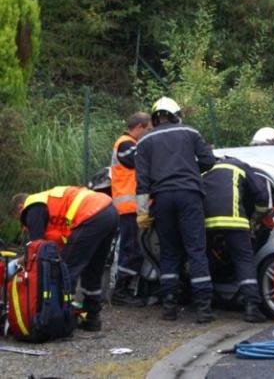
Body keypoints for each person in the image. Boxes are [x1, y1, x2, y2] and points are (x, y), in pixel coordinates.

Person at [134, 96, 216, 323]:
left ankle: (169, 305)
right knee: (196, 250)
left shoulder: (143, 141)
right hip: (189, 196)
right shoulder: (191, 133)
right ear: (175, 114)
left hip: (162, 199)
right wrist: (190, 169)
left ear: (155, 117)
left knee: (169, 252)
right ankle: (203, 309)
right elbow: (209, 161)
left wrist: (142, 213)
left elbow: (141, 181)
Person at [11, 187, 119, 331]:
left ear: (20, 208)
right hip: (109, 211)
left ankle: (60, 320)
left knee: (64, 271)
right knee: (93, 269)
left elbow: (36, 248)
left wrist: (17, 264)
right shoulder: (48, 202)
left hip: (90, 214)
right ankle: (92, 319)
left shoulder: (32, 206)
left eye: (20, 220)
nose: (25, 225)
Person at [202, 156, 270, 323]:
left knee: (204, 259)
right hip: (234, 220)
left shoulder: (204, 170)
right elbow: (261, 194)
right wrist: (258, 216)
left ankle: (205, 304)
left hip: (206, 222)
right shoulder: (240, 165)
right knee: (244, 260)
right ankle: (251, 307)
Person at [110, 111, 151, 306]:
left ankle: (127, 290)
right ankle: (121, 292)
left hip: (132, 207)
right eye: (149, 130)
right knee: (131, 249)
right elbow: (143, 163)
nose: (149, 134)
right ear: (140, 127)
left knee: (134, 249)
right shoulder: (126, 145)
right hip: (129, 208)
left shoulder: (128, 144)